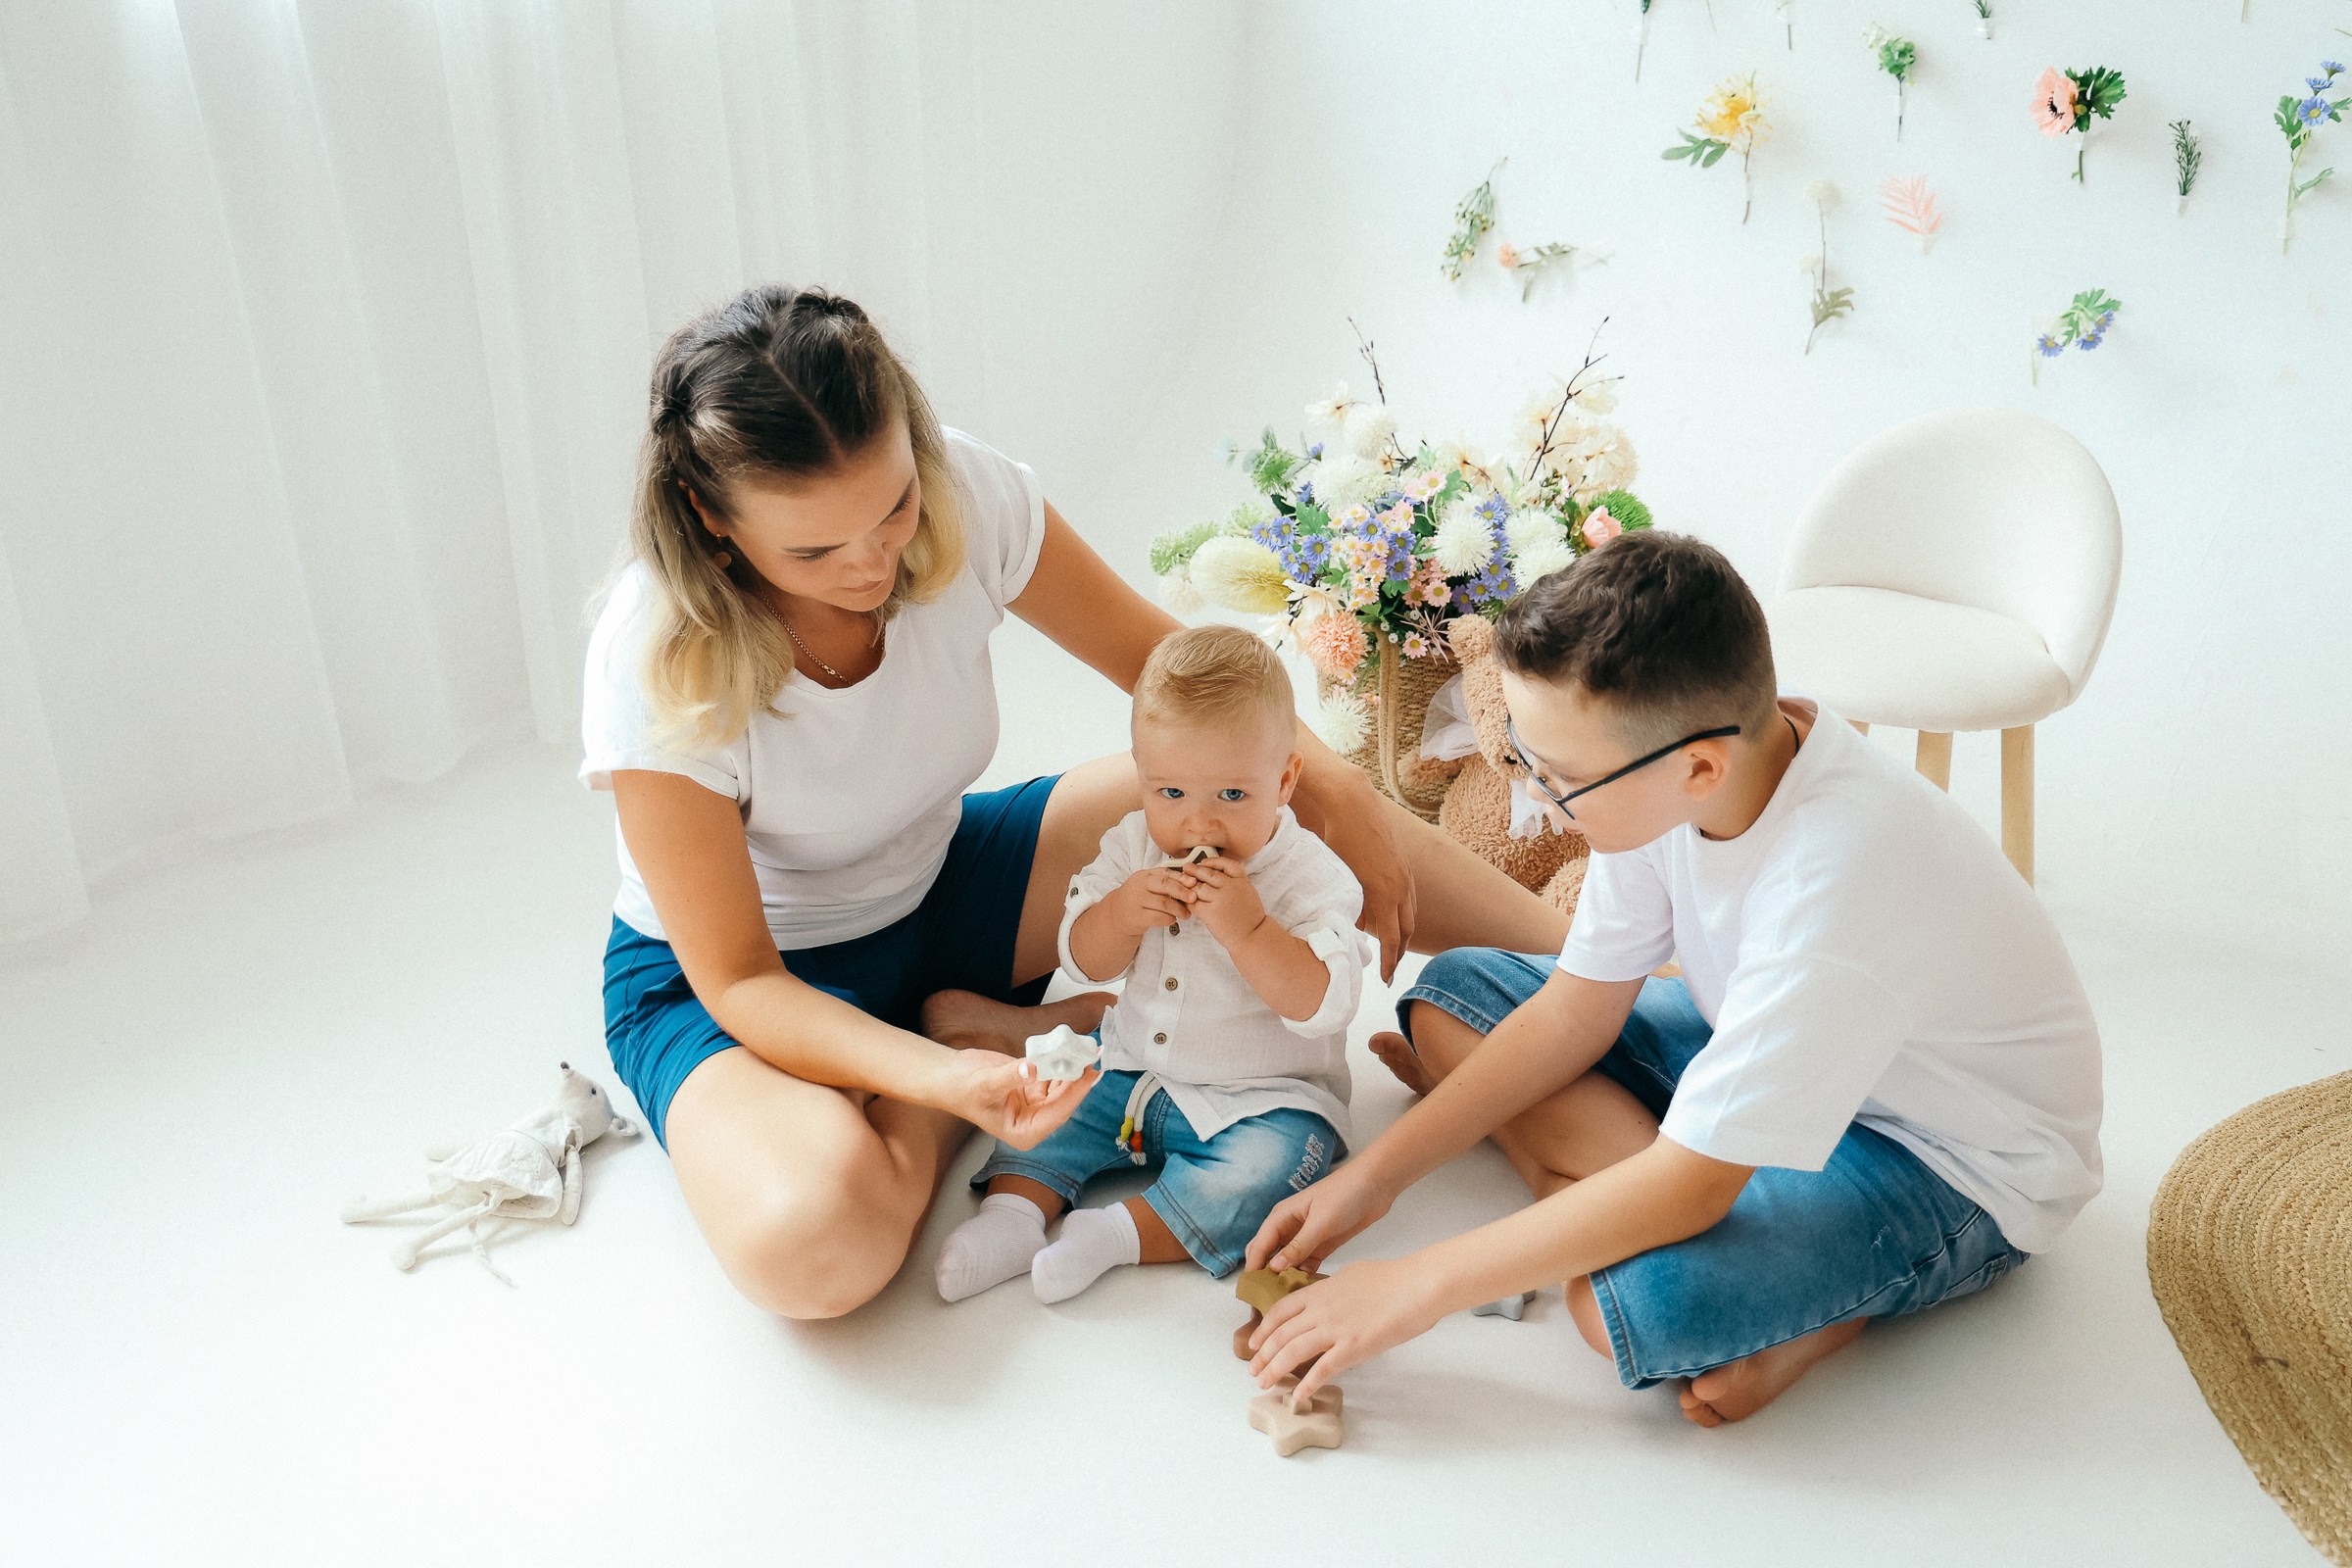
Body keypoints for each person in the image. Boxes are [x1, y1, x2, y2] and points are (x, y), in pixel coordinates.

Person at [580, 283, 1564, 1320]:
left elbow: (1170, 667)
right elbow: (740, 976)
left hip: (943, 887)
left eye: (894, 508)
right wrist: (941, 1083)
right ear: (711, 518)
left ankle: (1611, 973)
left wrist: (1338, 789)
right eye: (814, 552)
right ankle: (964, 1048)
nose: (873, 563)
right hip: (743, 977)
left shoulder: (962, 489)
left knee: (1232, 781)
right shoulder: (657, 658)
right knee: (817, 1245)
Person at [1242, 530, 2103, 1425]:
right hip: (1770, 1050)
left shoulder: (1831, 889)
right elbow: (1574, 1012)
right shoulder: (1673, 787)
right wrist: (1375, 1180)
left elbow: (1694, 1183)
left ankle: (1792, 1298)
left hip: (1943, 1159)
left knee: (1627, 1309)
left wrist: (1413, 1285)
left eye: (1561, 779)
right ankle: (1655, 1208)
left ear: (1698, 766)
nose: (1537, 798)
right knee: (1455, 996)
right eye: (1532, 762)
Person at [937, 626, 1368, 1304]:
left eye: (1231, 796)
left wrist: (1252, 931)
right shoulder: (1132, 846)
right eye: (1170, 793)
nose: (1199, 825)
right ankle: (1011, 1217)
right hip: (1129, 1068)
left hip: (1264, 1101)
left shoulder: (1312, 878)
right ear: (1142, 776)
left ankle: (1113, 1235)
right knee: (1049, 1101)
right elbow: (1081, 960)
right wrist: (1119, 915)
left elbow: (1325, 1003)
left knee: (1269, 1174)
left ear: (1284, 780)